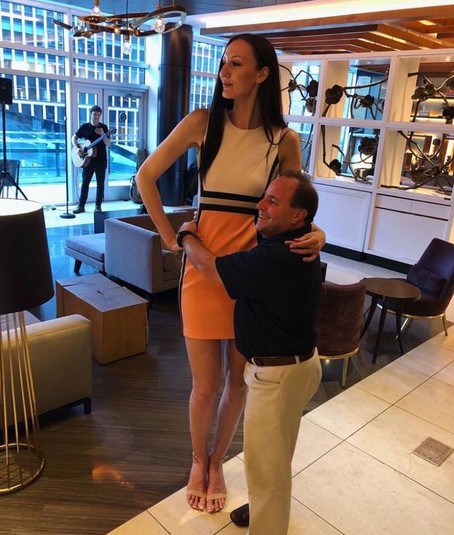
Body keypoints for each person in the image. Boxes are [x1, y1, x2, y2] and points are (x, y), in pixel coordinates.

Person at [135, 33, 325, 514]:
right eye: (223, 63)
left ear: (262, 74)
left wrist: (318, 232)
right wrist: (171, 237)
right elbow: (145, 176)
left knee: (238, 382)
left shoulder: (283, 140)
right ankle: (197, 461)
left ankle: (218, 461)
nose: (224, 71)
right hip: (201, 273)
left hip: (250, 278)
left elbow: (297, 205)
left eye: (236, 64)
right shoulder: (202, 123)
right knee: (205, 386)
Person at [177, 172, 322, 535]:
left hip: (276, 377)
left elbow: (209, 266)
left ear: (298, 216)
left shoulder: (274, 257)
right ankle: (262, 509)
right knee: (277, 456)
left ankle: (266, 522)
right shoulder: (302, 240)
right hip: (301, 366)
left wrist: (186, 235)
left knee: (265, 469)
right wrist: (321, 233)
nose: (261, 205)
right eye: (264, 197)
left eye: (273, 201)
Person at [72, 105, 110, 214]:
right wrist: (77, 148)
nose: (96, 117)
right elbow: (74, 137)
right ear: (91, 114)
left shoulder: (104, 128)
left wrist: (103, 134)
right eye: (95, 114)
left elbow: (108, 143)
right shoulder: (85, 127)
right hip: (87, 160)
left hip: (101, 160)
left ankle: (98, 206)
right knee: (85, 183)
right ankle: (81, 206)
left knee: (100, 184)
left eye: (98, 115)